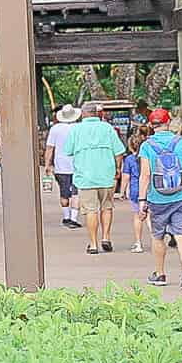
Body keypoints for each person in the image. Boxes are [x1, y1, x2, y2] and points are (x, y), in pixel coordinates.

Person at [139, 108, 182, 292]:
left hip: (157, 198)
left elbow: (145, 175)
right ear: (168, 123)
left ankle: (160, 274)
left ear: (151, 125)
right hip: (181, 195)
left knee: (158, 236)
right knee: (181, 234)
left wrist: (142, 200)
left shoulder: (147, 146)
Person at [64, 101, 126, 255]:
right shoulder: (107, 128)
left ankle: (93, 244)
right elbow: (119, 152)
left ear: (83, 114)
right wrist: (117, 169)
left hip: (85, 177)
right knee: (107, 207)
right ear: (97, 113)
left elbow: (68, 150)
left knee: (91, 210)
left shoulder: (75, 129)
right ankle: (106, 237)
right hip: (106, 175)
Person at [45, 106, 82, 229]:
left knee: (64, 193)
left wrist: (47, 164)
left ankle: (66, 216)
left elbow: (50, 148)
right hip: (77, 166)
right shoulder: (78, 128)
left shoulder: (55, 129)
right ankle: (73, 218)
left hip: (60, 166)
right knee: (76, 194)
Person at [121, 126, 151, 253]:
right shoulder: (147, 157)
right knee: (150, 216)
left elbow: (126, 176)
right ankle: (157, 239)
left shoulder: (129, 159)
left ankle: (138, 243)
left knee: (138, 217)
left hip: (135, 190)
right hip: (149, 189)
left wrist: (122, 191)